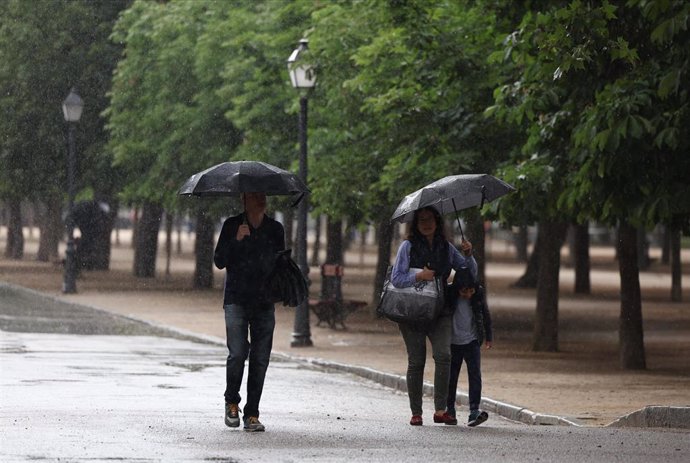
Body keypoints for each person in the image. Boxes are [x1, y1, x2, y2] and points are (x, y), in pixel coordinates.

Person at [390, 206, 477, 426]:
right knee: (416, 361)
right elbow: (396, 279)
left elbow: (468, 273)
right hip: (412, 313)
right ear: (415, 225)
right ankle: (416, 412)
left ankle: (441, 410)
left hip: (440, 311)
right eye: (421, 220)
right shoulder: (407, 247)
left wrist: (469, 255)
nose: (426, 224)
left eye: (430, 219)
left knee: (444, 356)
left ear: (437, 222)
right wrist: (419, 275)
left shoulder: (446, 248)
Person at [213, 191, 285, 432]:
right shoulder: (233, 225)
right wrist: (236, 240)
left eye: (264, 194)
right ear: (244, 199)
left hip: (264, 302)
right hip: (236, 300)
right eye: (255, 195)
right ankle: (231, 401)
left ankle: (252, 414)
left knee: (260, 359)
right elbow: (219, 260)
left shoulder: (275, 229)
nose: (262, 198)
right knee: (237, 353)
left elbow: (279, 263)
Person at [446, 266, 493, 427]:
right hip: (453, 342)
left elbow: (485, 314)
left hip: (472, 341)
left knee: (475, 376)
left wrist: (488, 336)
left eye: (470, 291)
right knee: (451, 378)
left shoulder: (477, 294)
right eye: (464, 292)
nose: (467, 295)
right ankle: (449, 409)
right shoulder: (449, 294)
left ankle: (474, 410)